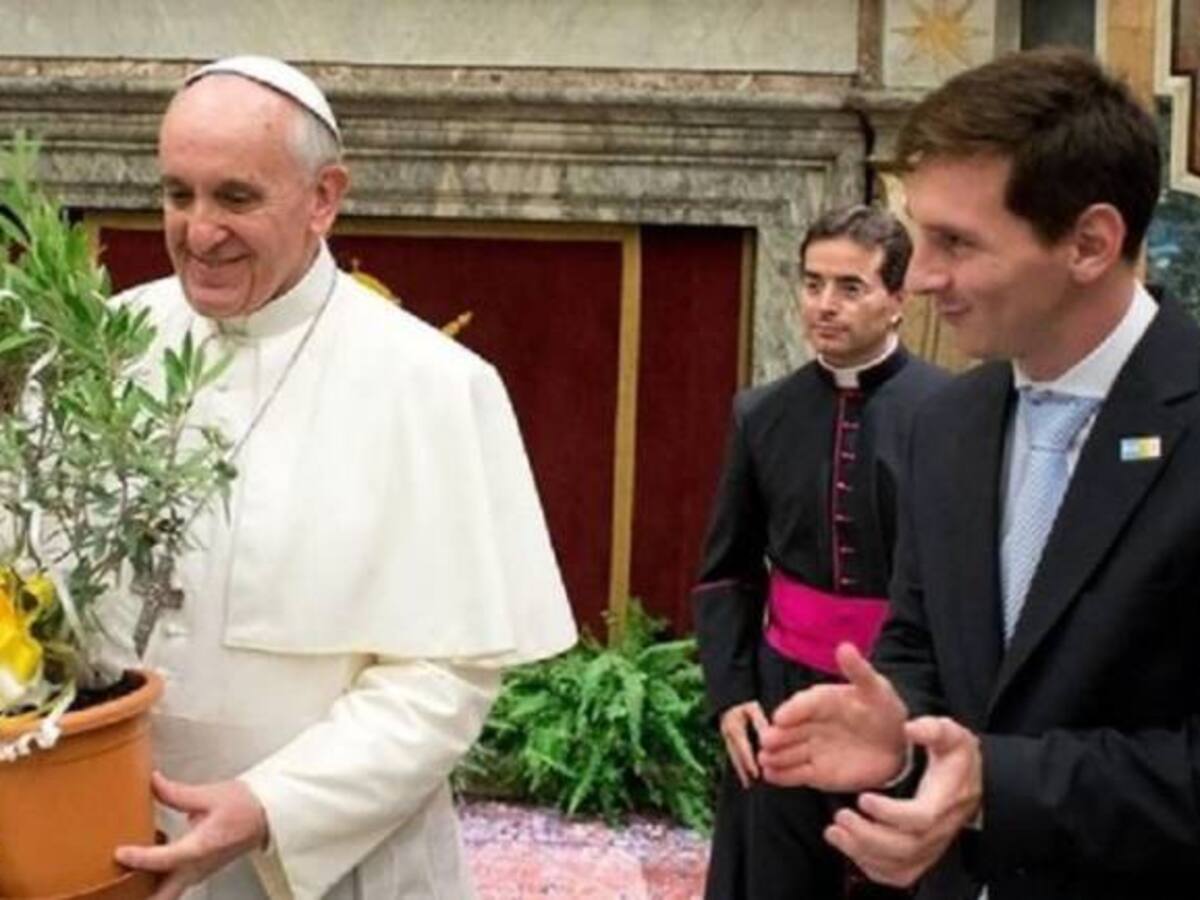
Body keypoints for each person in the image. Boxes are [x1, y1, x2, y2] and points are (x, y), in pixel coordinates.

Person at [102, 56, 577, 899]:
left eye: (236, 198)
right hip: (104, 843)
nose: (198, 230)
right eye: (178, 194)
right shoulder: (102, 347)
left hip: (326, 863)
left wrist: (270, 806)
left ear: (324, 197)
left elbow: (444, 675)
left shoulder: (430, 384)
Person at [758, 47, 1200, 899]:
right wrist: (898, 732)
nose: (919, 278)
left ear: (1090, 242)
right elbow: (921, 642)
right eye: (920, 233)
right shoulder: (947, 423)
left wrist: (997, 783)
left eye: (956, 243)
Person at [693, 204, 948, 899]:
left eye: (850, 287)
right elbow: (726, 574)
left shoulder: (955, 415)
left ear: (898, 298)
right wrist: (732, 694)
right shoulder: (761, 413)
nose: (824, 306)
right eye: (812, 284)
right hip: (784, 700)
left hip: (904, 699)